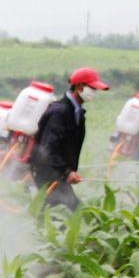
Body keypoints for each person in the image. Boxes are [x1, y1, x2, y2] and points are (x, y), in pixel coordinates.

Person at [27, 68, 107, 210]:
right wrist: (66, 172)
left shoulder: (77, 112)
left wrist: (67, 171)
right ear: (79, 87)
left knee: (52, 213)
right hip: (47, 172)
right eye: (93, 88)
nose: (94, 92)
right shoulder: (59, 112)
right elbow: (48, 149)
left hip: (56, 173)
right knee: (73, 211)